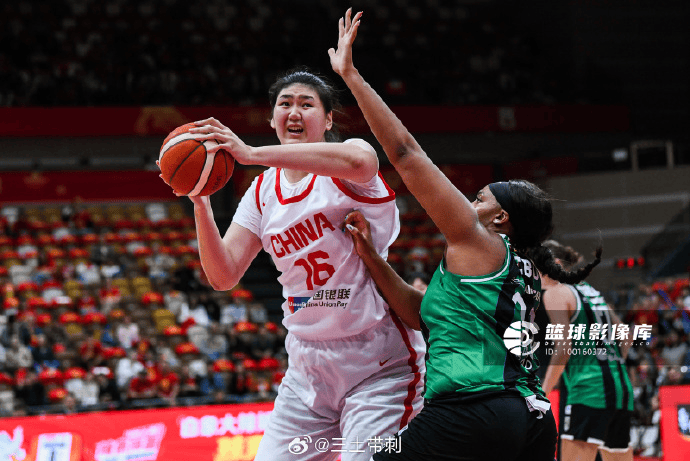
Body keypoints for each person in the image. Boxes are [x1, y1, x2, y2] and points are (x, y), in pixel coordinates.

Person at [330, 8, 600, 460]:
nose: (469, 205)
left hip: (472, 412)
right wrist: (372, 256)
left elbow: (405, 153)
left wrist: (351, 77)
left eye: (479, 198)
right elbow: (421, 316)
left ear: (501, 218)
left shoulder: (479, 240)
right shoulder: (517, 268)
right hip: (531, 419)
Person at [164, 54, 425, 460]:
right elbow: (223, 275)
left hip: (378, 362)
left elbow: (364, 161)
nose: (294, 112)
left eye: (307, 104)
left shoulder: (347, 160)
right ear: (273, 120)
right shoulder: (261, 192)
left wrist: (251, 153)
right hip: (307, 367)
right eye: (285, 104)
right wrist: (200, 201)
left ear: (328, 120)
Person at [540, 240, 633, 461]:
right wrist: (610, 364)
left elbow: (564, 348)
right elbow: (626, 336)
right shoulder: (591, 292)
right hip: (621, 388)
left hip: (588, 390)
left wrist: (543, 393)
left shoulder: (556, 292)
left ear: (555, 264)